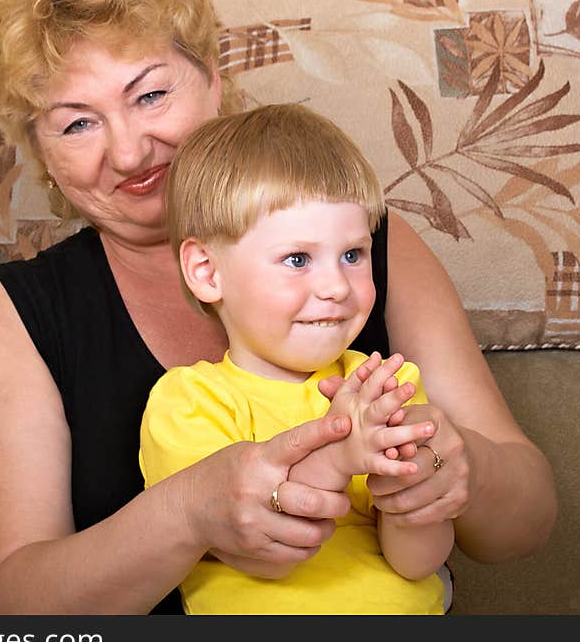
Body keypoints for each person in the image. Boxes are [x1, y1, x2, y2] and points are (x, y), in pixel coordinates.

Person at [0, 0, 557, 615]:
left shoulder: (367, 246)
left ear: (213, 82)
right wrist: (186, 515)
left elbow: (525, 521)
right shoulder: (17, 312)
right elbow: (13, 609)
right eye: (77, 123)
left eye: (151, 95)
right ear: (42, 154)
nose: (128, 152)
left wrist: (456, 469)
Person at [139, 103, 455, 614]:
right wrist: (339, 458)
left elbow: (418, 562)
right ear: (207, 271)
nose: (335, 286)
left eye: (353, 255)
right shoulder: (191, 402)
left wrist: (411, 488)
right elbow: (263, 556)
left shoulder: (384, 385)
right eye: (298, 259)